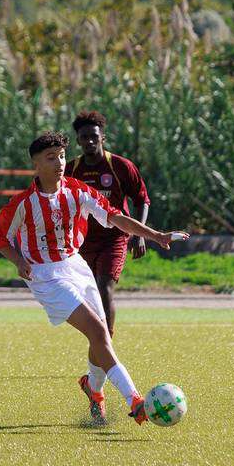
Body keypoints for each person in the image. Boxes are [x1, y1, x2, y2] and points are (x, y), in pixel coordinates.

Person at [0, 131, 188, 425]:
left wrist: (156, 235)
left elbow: (115, 217)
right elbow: (2, 240)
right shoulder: (23, 203)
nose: (60, 163)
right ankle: (135, 400)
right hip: (45, 275)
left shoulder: (78, 191)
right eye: (51, 158)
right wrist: (19, 261)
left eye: (62, 156)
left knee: (103, 335)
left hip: (76, 265)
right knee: (98, 331)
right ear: (36, 164)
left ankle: (93, 389)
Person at [65, 111, 150, 338]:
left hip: (114, 238)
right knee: (88, 293)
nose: (90, 141)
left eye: (94, 136)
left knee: (104, 287)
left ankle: (106, 342)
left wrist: (139, 234)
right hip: (82, 242)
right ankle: (98, 342)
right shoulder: (71, 170)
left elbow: (142, 199)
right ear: (78, 140)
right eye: (84, 137)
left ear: (103, 137)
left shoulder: (120, 166)